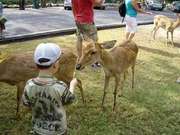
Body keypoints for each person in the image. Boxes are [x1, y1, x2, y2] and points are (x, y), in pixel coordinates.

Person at [22, 43, 78, 135]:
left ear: (36, 65)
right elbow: (70, 100)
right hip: (58, 131)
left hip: (38, 129)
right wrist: (72, 85)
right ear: (55, 65)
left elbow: (26, 103)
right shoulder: (60, 86)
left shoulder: (29, 84)